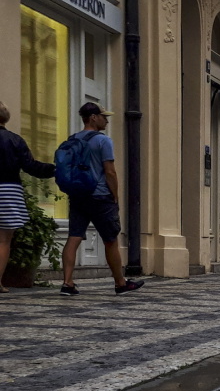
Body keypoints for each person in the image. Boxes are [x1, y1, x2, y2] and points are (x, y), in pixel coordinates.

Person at [60, 102, 144, 296]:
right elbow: (110, 171)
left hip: (78, 195)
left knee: (73, 237)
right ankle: (120, 283)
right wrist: (115, 195)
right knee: (110, 239)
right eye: (104, 117)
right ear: (93, 118)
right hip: (100, 196)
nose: (106, 120)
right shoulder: (103, 141)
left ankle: (67, 283)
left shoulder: (72, 139)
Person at [0, 100, 56, 293]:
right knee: (4, 240)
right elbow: (31, 166)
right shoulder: (15, 140)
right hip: (9, 190)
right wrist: (55, 169)